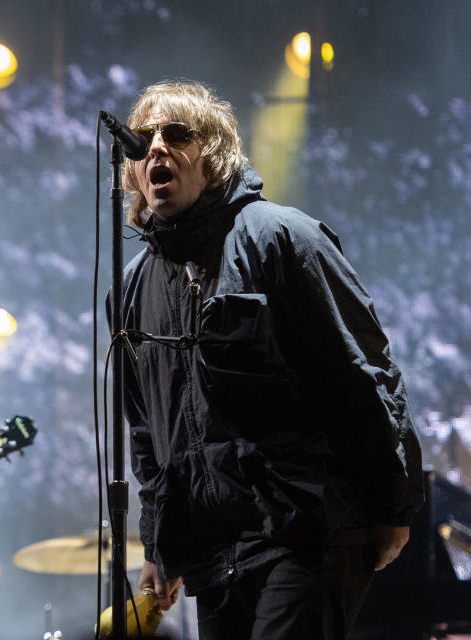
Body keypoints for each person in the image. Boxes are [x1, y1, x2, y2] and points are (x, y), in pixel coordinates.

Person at [110, 81, 424, 639]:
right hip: (214, 553)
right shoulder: (132, 289)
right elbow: (146, 432)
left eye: (176, 135)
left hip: (305, 532)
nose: (155, 147)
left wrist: (392, 505)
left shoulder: (283, 238)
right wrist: (157, 541)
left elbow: (362, 374)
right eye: (146, 137)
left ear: (213, 155)